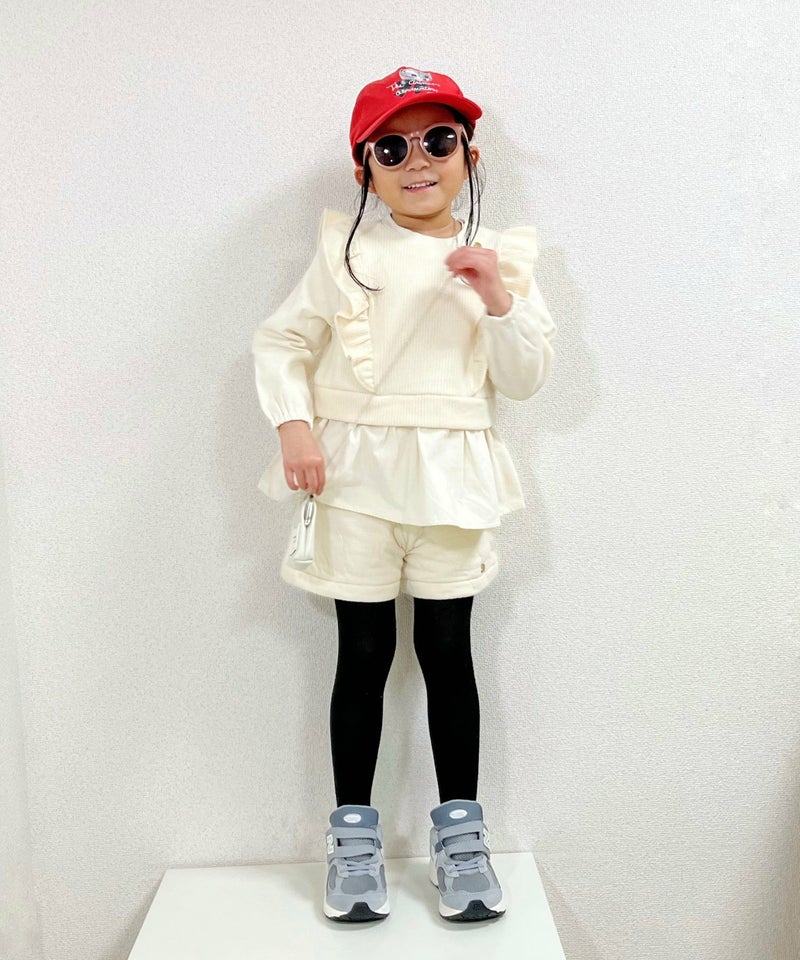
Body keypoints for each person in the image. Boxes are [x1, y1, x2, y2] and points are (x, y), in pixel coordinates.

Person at [251, 66, 556, 924]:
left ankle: (462, 838)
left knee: (449, 653)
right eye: (392, 148)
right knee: (363, 654)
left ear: (469, 155)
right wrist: (293, 424)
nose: (417, 160)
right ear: (365, 171)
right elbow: (280, 341)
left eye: (437, 140)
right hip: (354, 479)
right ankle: (354, 841)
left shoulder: (502, 256)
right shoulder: (346, 254)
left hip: (453, 479)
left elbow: (527, 377)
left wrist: (496, 297)